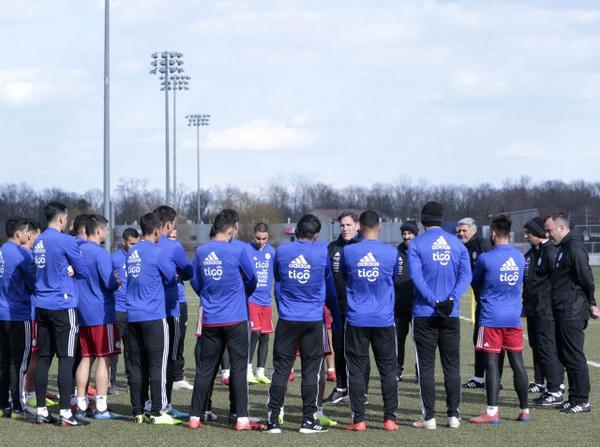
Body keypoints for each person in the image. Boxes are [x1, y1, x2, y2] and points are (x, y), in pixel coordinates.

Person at [264, 214, 340, 434]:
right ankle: (308, 420)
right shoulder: (321, 252)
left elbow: (278, 279)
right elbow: (327, 281)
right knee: (311, 372)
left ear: (296, 230)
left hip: (287, 320)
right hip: (313, 321)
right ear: (316, 235)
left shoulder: (281, 251)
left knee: (281, 370)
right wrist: (335, 315)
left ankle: (273, 421)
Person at [188, 211, 261, 431]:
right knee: (238, 369)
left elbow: (195, 281)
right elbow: (253, 279)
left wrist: (209, 296)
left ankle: (194, 416)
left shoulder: (201, 251)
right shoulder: (239, 249)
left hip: (210, 319)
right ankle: (241, 419)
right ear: (231, 230)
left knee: (204, 369)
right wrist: (241, 295)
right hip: (236, 318)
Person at [408, 201, 471, 430]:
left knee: (425, 367)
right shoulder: (457, 244)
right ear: (442, 219)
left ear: (423, 219)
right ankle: (453, 415)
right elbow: (466, 276)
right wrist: (451, 299)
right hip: (450, 314)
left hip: (424, 313)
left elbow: (416, 277)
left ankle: (430, 418)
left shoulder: (415, 244)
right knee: (451, 366)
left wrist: (434, 301)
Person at [32, 202, 89, 426]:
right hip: (62, 304)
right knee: (66, 358)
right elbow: (82, 270)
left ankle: (41, 410)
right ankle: (66, 413)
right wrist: (72, 269)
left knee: (44, 357)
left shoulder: (38, 240)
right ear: (63, 219)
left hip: (41, 304)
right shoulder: (65, 240)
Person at [468, 214, 529, 424]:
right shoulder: (520, 257)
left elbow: (475, 283)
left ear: (493, 233)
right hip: (513, 318)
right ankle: (524, 410)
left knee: (492, 365)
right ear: (509, 233)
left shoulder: (486, 258)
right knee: (518, 363)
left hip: (491, 318)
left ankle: (492, 412)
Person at [342, 211, 400, 431]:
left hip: (357, 318)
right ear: (380, 226)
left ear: (359, 227)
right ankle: (390, 419)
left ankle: (359, 420)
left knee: (356, 370)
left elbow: (345, 277)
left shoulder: (348, 251)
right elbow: (392, 280)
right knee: (388, 370)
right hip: (384, 319)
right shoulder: (391, 252)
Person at [125, 212, 179, 425]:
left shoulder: (131, 252)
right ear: (157, 230)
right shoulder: (158, 252)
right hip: (154, 316)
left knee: (137, 365)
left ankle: (138, 410)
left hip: (133, 316)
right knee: (158, 365)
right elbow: (171, 278)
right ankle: (158, 411)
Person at [544, 213, 599, 413]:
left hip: (573, 311)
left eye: (550, 230)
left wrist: (591, 303)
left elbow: (586, 279)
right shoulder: (562, 249)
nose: (547, 235)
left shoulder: (574, 248)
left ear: (561, 228)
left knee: (574, 356)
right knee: (565, 355)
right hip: (562, 311)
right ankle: (574, 397)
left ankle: (582, 400)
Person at [74, 214, 123, 420]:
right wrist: (117, 281)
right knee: (105, 359)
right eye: (106, 229)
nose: (108, 233)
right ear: (99, 231)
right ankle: (101, 407)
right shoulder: (101, 253)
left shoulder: (77, 250)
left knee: (86, 358)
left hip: (81, 312)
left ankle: (81, 404)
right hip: (101, 313)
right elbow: (108, 282)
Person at [153, 206, 194, 418]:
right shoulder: (173, 246)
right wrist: (177, 274)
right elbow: (189, 271)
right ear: (168, 224)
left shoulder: (141, 246)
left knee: (149, 358)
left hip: (148, 311)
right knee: (169, 358)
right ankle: (164, 404)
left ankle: (146, 402)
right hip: (170, 308)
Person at [522, 217, 564, 404]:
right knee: (537, 346)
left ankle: (555, 389)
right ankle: (545, 384)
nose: (525, 236)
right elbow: (529, 281)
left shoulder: (550, 252)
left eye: (528, 233)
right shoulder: (532, 253)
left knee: (548, 348)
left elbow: (557, 282)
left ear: (538, 233)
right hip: (533, 309)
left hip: (546, 310)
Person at [324, 211, 362, 404]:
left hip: (359, 310)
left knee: (358, 351)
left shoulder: (364, 246)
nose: (345, 229)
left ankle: (360, 392)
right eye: (342, 226)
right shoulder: (332, 248)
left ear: (357, 226)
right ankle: (341, 387)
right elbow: (327, 278)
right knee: (338, 349)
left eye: (348, 225)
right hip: (338, 309)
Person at [0, 217, 34, 419]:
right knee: (19, 362)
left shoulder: (2, 251)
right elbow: (33, 281)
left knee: (3, 361)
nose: (29, 235)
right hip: (17, 314)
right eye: (28, 231)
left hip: (1, 313)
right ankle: (18, 406)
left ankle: (3, 404)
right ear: (19, 233)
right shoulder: (21, 254)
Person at [457, 217, 496, 389]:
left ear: (474, 230)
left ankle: (496, 378)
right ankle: (479, 377)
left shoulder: (483, 244)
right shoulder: (464, 246)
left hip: (491, 302)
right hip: (481, 300)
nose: (461, 234)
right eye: (460, 230)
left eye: (465, 231)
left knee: (492, 340)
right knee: (478, 338)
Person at [109, 227, 140, 394]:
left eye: (137, 243)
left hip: (135, 310)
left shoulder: (140, 257)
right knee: (114, 349)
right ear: (123, 242)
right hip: (118, 309)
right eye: (131, 244)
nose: (134, 247)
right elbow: (106, 279)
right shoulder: (114, 258)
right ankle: (110, 382)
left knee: (133, 349)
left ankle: (131, 381)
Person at [246, 223, 275, 384]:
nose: (261, 241)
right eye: (258, 238)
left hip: (266, 300)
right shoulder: (246, 250)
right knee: (254, 333)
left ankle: (260, 372)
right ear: (253, 234)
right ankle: (247, 369)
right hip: (252, 299)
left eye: (264, 238)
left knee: (265, 335)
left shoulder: (271, 251)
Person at [166, 229, 194, 391]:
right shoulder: (159, 250)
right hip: (163, 302)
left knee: (180, 340)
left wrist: (180, 274)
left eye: (174, 237)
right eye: (169, 236)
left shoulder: (177, 250)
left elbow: (189, 272)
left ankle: (178, 376)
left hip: (180, 300)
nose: (172, 239)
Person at [394, 220, 418, 381]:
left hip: (418, 306)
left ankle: (420, 372)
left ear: (415, 234)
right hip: (399, 305)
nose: (406, 236)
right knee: (397, 341)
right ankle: (397, 371)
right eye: (404, 233)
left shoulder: (421, 251)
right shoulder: (397, 252)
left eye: (409, 233)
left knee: (419, 342)